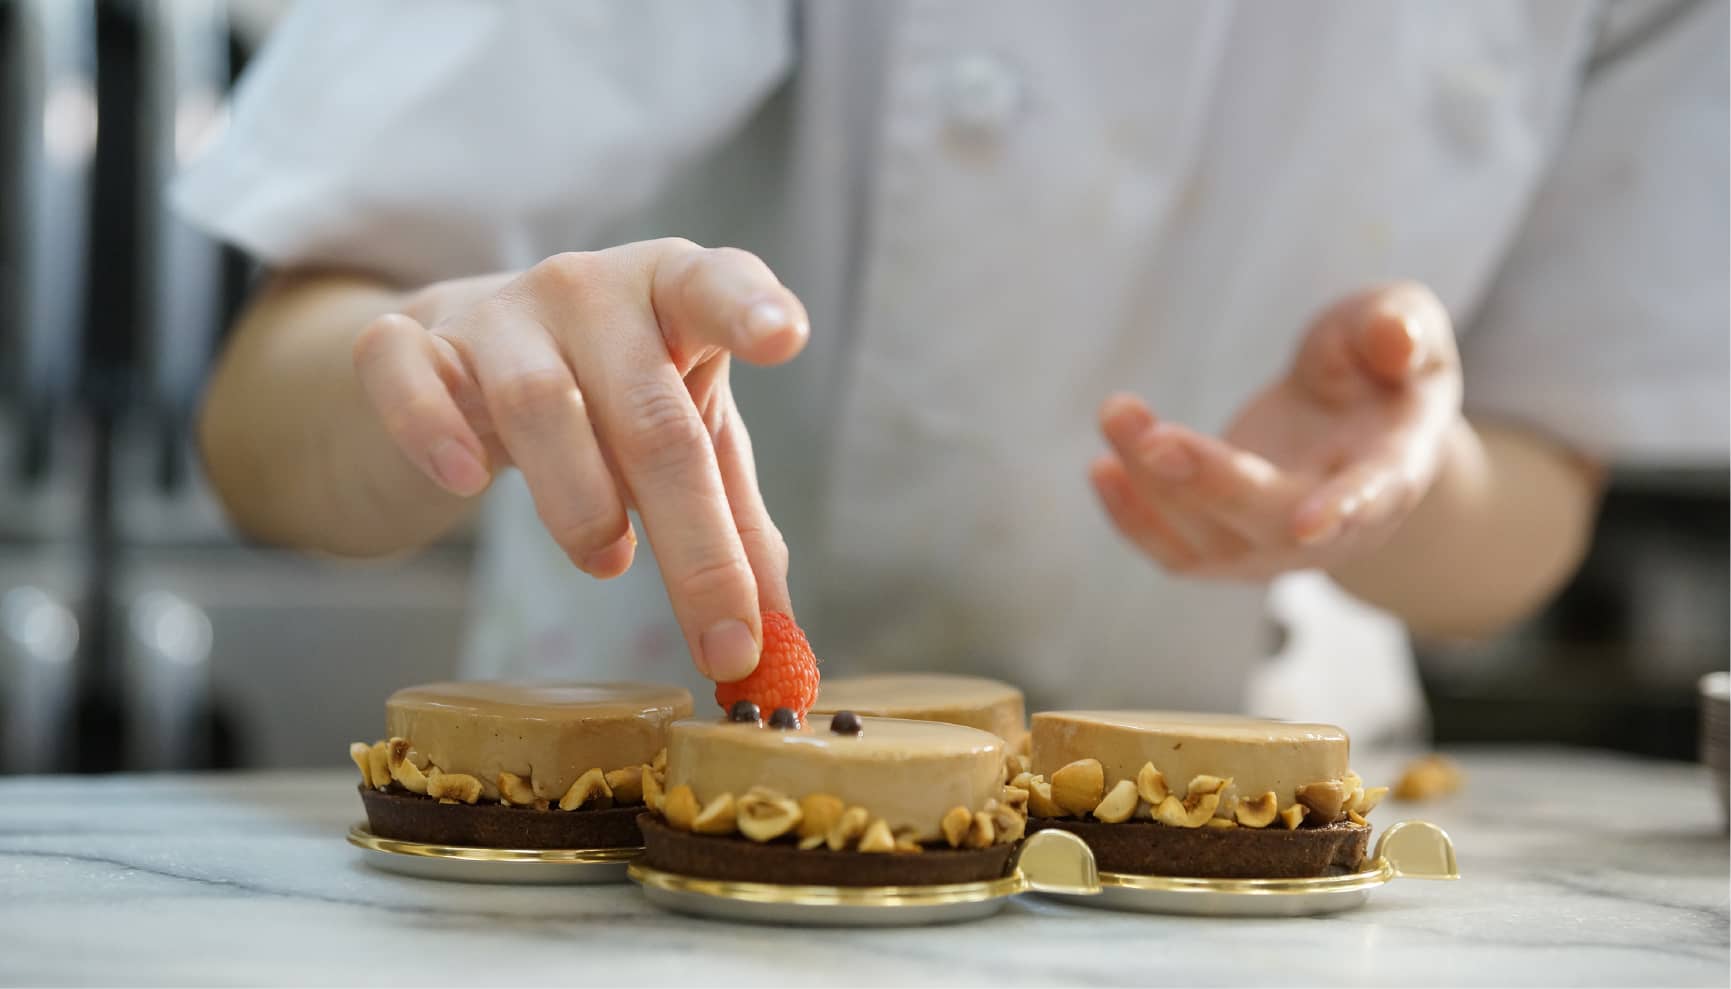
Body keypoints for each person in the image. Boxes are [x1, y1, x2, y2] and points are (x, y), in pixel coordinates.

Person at [176, 0, 1727, 742]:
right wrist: (441, 387)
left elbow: (1534, 493)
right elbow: (265, 408)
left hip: (1250, 824)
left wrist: (1390, 490)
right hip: (638, 813)